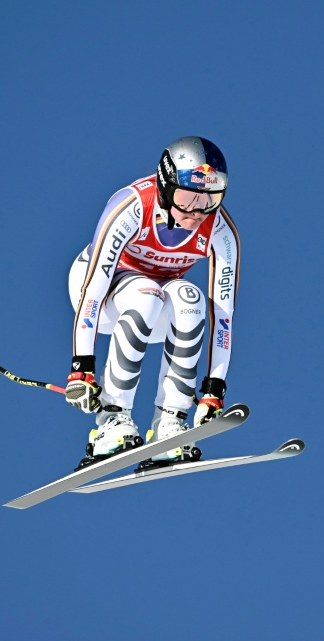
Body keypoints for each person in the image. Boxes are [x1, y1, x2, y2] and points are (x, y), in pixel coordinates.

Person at [65, 136, 240, 470]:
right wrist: (81, 367)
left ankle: (169, 423)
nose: (196, 211)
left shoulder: (219, 230)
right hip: (98, 293)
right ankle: (112, 420)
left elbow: (224, 314)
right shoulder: (132, 206)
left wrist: (213, 388)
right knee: (147, 293)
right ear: (164, 185)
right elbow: (93, 289)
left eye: (210, 199)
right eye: (187, 197)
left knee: (190, 298)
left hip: (155, 304)